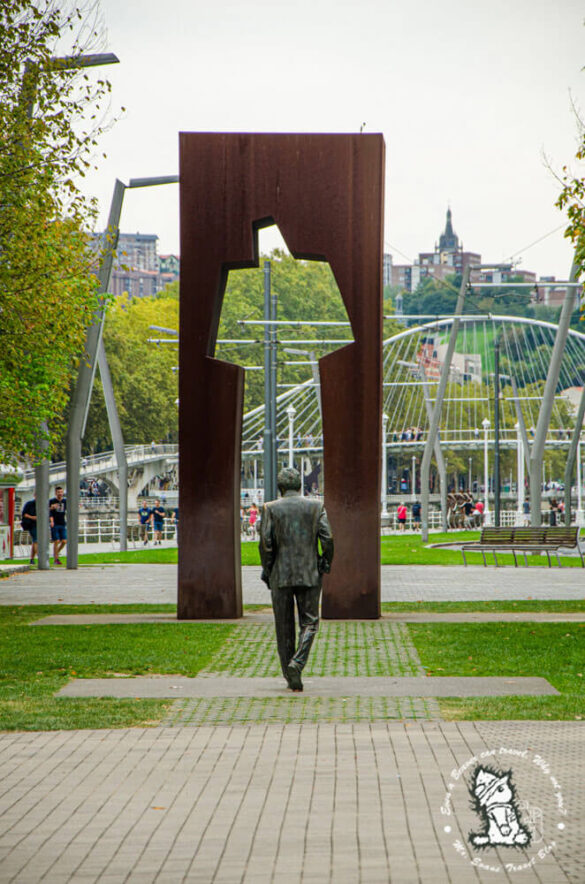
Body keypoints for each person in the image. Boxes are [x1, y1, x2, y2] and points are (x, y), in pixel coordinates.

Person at [259, 467, 334, 692]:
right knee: (310, 622)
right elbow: (328, 538)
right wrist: (324, 562)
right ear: (299, 486)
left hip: (280, 574)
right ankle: (297, 664)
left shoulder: (270, 509)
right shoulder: (316, 506)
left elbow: (265, 544)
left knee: (283, 627)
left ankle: (289, 673)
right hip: (309, 573)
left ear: (280, 488)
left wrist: (268, 570)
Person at [49, 486, 67, 565]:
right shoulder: (52, 501)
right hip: (55, 523)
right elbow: (47, 511)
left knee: (64, 541)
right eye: (58, 492)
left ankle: (56, 554)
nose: (60, 494)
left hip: (62, 523)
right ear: (56, 493)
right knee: (56, 541)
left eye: (61, 492)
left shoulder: (65, 501)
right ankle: (56, 559)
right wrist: (51, 508)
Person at [21, 496, 37, 564]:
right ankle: (42, 558)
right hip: (32, 525)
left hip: (41, 525)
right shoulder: (29, 504)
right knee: (36, 540)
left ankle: (32, 559)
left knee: (35, 541)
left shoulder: (45, 504)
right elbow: (24, 514)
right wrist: (32, 517)